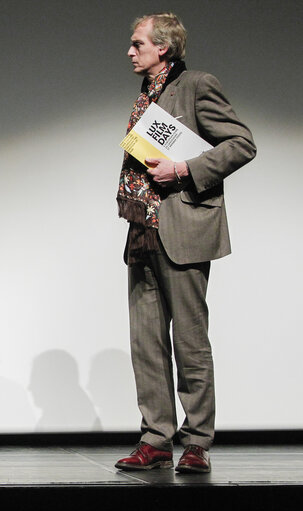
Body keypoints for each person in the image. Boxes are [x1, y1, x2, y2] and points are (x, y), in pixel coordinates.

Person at [115, 13, 255, 473]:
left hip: (184, 227)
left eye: (138, 44)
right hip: (145, 230)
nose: (130, 51)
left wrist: (183, 170)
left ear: (164, 48)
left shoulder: (195, 85)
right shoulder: (147, 93)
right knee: (146, 341)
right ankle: (156, 438)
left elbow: (240, 143)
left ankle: (197, 441)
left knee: (190, 341)